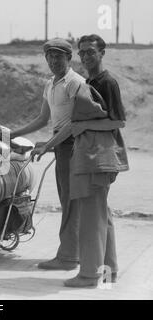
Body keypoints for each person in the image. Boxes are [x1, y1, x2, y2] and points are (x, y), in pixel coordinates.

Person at [11, 38, 85, 270]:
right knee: (68, 200)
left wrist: (47, 145)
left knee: (71, 202)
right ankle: (74, 253)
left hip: (73, 145)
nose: (53, 61)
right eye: (50, 57)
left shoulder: (75, 82)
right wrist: (12, 133)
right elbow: (43, 119)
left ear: (68, 58)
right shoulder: (50, 83)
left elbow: (73, 124)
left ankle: (68, 257)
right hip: (61, 145)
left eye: (58, 56)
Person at [63, 34, 129, 287]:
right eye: (82, 53)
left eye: (91, 52)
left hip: (97, 157)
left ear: (102, 53)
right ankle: (108, 270)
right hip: (95, 156)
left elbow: (119, 121)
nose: (86, 56)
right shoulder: (91, 80)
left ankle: (89, 275)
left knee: (92, 217)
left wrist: (84, 125)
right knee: (102, 215)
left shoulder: (107, 82)